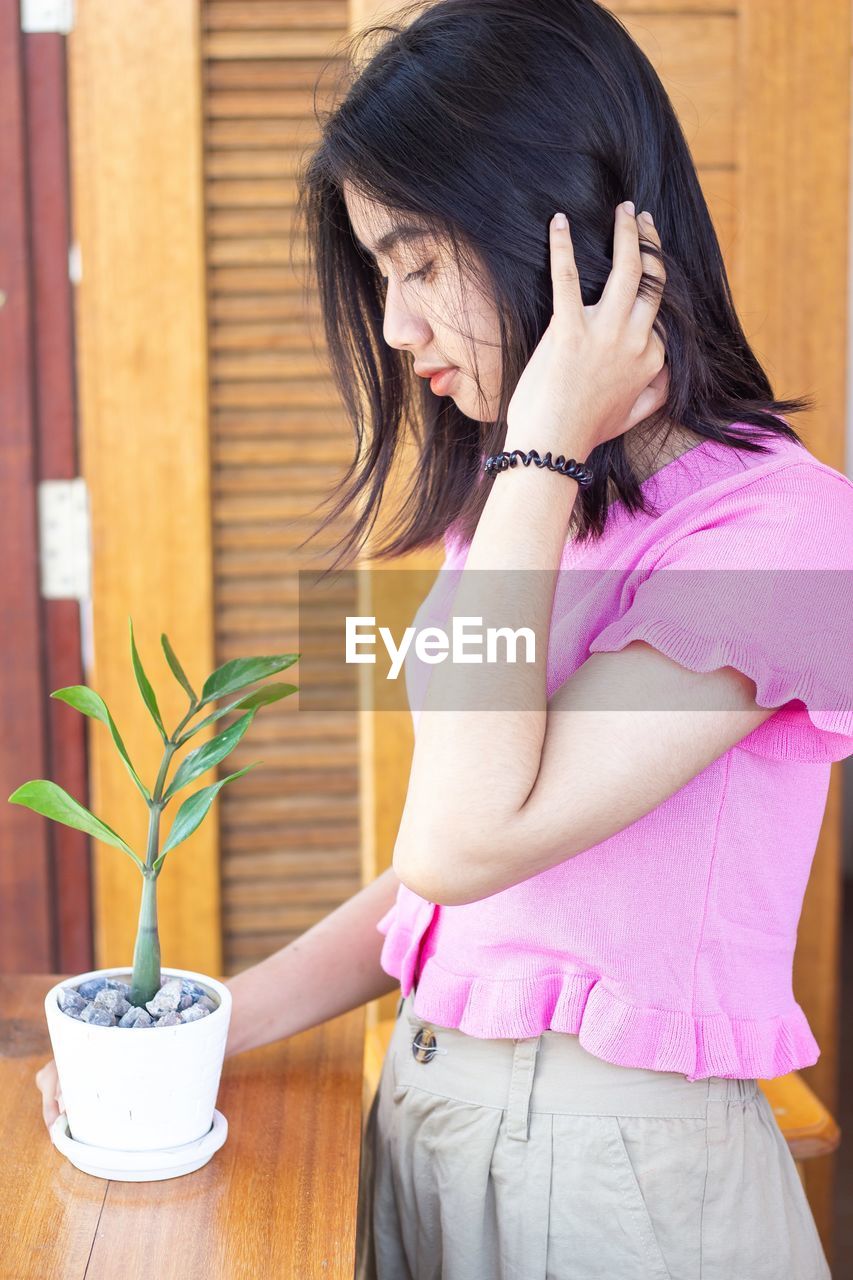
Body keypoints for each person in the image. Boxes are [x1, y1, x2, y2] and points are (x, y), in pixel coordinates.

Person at [39, 2, 851, 1276]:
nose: (396, 326)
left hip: (617, 1185)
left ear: (574, 233)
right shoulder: (523, 507)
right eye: (380, 274)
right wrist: (202, 1023)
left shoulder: (795, 537)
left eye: (418, 263)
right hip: (424, 1112)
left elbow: (464, 840)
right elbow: (454, 894)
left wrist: (537, 447)